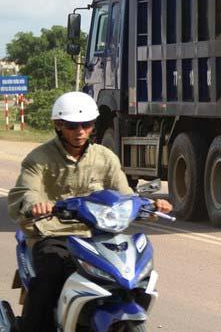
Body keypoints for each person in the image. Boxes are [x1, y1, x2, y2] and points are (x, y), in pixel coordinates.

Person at [7, 91, 172, 332]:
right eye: (73, 125)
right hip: (53, 234)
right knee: (49, 277)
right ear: (59, 126)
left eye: (86, 124)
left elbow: (124, 194)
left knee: (133, 275)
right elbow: (26, 190)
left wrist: (150, 205)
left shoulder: (105, 158)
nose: (80, 131)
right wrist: (35, 204)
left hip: (96, 235)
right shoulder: (39, 158)